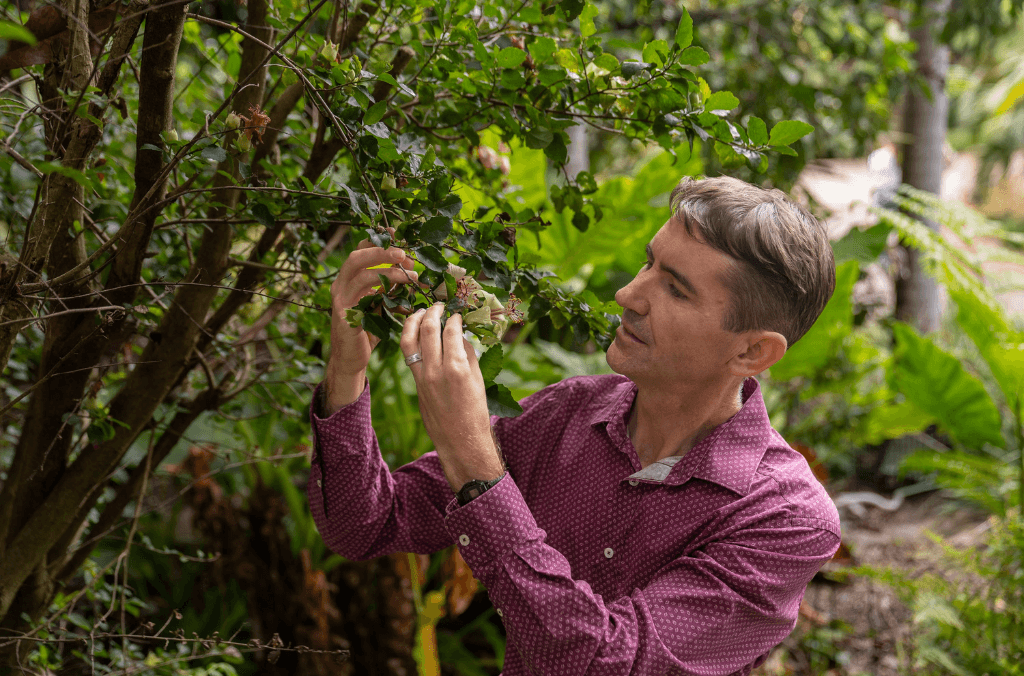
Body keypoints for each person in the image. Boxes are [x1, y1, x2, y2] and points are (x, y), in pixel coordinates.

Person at [307, 175, 842, 675]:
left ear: (752, 351)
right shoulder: (566, 415)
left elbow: (603, 662)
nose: (629, 296)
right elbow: (364, 524)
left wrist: (472, 458)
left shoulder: (786, 517)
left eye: (676, 290)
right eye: (647, 263)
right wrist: (346, 369)